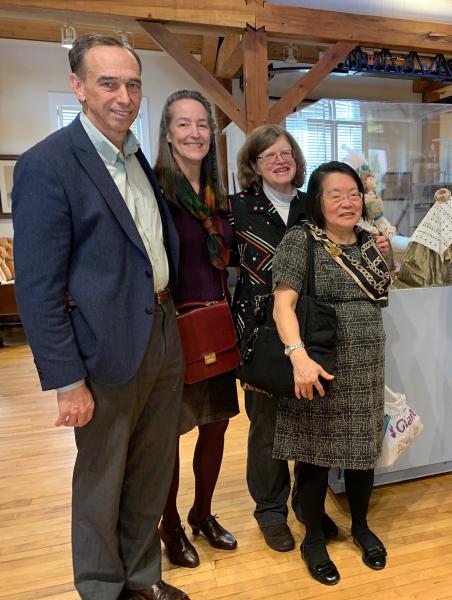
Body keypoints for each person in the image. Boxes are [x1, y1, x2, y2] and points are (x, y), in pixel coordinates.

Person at [12, 34, 188, 599]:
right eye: (108, 83)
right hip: (102, 351)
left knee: (149, 471)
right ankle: (100, 588)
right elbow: (37, 289)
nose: (123, 95)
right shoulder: (48, 165)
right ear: (78, 87)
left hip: (161, 335)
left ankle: (141, 578)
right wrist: (67, 381)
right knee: (101, 480)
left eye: (133, 84)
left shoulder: (138, 159)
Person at [272, 161, 392, 586]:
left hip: (366, 365)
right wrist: (298, 356)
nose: (347, 202)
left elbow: (381, 296)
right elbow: (282, 305)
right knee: (314, 454)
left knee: (363, 450)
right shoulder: (299, 241)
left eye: (354, 194)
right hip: (318, 362)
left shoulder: (368, 243)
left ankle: (360, 526)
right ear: (317, 201)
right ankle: (312, 539)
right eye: (335, 195)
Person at [229, 124, 339, 552]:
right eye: (269, 155)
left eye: (286, 152)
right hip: (261, 332)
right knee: (268, 426)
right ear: (254, 166)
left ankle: (307, 506)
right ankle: (270, 511)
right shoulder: (239, 208)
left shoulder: (314, 205)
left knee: (312, 422)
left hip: (313, 326)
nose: (280, 160)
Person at [153, 90, 239, 568]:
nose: (194, 133)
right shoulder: (156, 191)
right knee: (169, 435)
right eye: (183, 124)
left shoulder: (217, 195)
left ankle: (202, 514)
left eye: (202, 124)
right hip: (173, 330)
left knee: (217, 426)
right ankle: (169, 527)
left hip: (218, 327)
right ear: (168, 132)